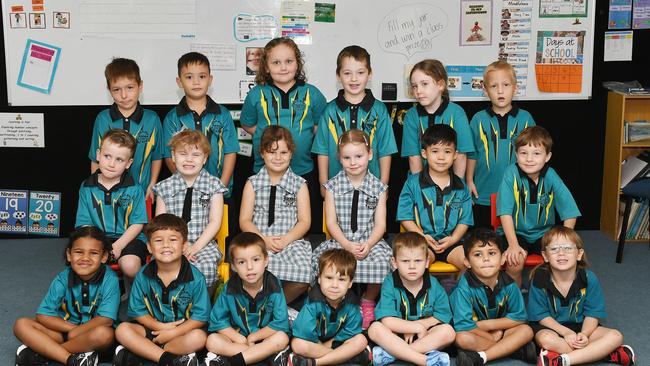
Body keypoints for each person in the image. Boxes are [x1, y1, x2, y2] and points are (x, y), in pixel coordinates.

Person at [240, 37, 327, 232]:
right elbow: (247, 124)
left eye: (289, 61)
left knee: (302, 224)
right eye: (276, 62)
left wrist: (300, 137)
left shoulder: (312, 93)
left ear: (298, 63)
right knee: (264, 222)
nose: (283, 67)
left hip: (303, 171)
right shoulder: (256, 94)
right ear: (266, 67)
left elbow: (319, 125)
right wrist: (268, 138)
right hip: (264, 172)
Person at [311, 129, 392, 330]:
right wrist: (346, 244)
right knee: (319, 261)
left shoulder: (379, 188)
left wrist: (369, 244)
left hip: (369, 240)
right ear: (339, 158)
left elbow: (381, 224)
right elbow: (331, 223)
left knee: (385, 263)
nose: (353, 162)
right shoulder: (332, 186)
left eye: (359, 156)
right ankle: (333, 303)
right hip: (341, 240)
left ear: (370, 155)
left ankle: (368, 300)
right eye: (347, 157)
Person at [113, 214, 211, 366]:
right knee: (122, 330)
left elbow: (200, 317)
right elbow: (138, 311)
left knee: (199, 338)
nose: (166, 245)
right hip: (153, 330)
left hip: (182, 333)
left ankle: (143, 353)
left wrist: (173, 332)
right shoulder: (143, 275)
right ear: (149, 247)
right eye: (158, 240)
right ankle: (169, 359)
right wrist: (160, 327)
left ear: (184, 246)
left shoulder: (196, 278)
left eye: (173, 240)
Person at [529, 227, 635, 366]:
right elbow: (541, 316)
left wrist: (584, 334)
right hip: (552, 328)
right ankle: (602, 354)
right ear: (545, 256)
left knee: (616, 336)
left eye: (568, 248)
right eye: (554, 249)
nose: (561, 253)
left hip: (581, 327)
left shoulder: (589, 278)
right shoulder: (539, 278)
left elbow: (592, 314)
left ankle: (562, 360)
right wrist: (566, 333)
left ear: (579, 254)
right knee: (546, 339)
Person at [14, 226, 119, 366]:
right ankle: (71, 359)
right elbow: (43, 315)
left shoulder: (110, 278)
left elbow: (106, 320)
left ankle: (46, 353)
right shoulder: (63, 278)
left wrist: (78, 332)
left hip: (93, 334)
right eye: (79, 252)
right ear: (69, 255)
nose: (85, 258)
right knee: (21, 324)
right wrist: (72, 329)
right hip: (65, 331)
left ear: (104, 256)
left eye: (93, 253)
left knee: (104, 335)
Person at [496, 126, 581, 286]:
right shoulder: (510, 174)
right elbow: (505, 213)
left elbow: (570, 211)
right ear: (516, 155)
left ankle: (552, 296)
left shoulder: (551, 175)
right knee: (515, 261)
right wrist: (513, 245)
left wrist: (563, 240)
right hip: (515, 233)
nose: (529, 159)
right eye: (523, 153)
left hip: (543, 233)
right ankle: (515, 300)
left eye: (536, 153)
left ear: (547, 156)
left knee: (560, 258)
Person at [312, 45, 397, 197]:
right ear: (338, 76)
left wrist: (383, 185)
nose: (353, 78)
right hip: (335, 189)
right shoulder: (329, 111)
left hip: (371, 190)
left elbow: (385, 151)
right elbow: (322, 151)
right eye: (347, 73)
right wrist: (323, 183)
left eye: (360, 72)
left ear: (369, 74)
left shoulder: (380, 110)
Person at [240, 126, 312, 303]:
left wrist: (287, 239)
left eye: (283, 152)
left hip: (291, 240)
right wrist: (263, 239)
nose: (278, 158)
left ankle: (273, 307)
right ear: (262, 153)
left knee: (305, 275)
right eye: (272, 152)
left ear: (291, 153)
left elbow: (304, 221)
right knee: (252, 267)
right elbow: (245, 220)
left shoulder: (299, 184)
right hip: (260, 239)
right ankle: (262, 306)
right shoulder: (252, 183)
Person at [153, 129, 227, 292]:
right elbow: (160, 224)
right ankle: (171, 305)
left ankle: (203, 310)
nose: (189, 159)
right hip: (170, 243)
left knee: (206, 268)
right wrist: (176, 246)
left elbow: (215, 222)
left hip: (203, 244)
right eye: (183, 154)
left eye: (195, 155)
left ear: (204, 159)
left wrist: (195, 247)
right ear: (173, 156)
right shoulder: (164, 188)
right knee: (163, 266)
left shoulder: (213, 186)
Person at [450, 228, 536, 366]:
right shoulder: (463, 288)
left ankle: (482, 356)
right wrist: (491, 336)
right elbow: (464, 326)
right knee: (461, 339)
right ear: (467, 262)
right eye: (478, 254)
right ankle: (512, 350)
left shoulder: (509, 284)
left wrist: (487, 325)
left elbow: (520, 318)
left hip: (497, 330)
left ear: (502, 258)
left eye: (492, 253)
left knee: (526, 331)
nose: (486, 259)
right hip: (475, 332)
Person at [466, 60, 535, 228]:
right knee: (484, 242)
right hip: (483, 194)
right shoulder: (478, 119)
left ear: (515, 88)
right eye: (494, 86)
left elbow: (535, 153)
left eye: (506, 85)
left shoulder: (525, 118)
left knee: (513, 241)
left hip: (518, 193)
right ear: (485, 90)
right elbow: (472, 153)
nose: (500, 91)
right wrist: (468, 180)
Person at [368, 232, 454, 366]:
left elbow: (441, 316)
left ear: (426, 262)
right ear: (394, 263)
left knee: (448, 332)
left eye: (418, 261)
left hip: (425, 337)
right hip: (395, 336)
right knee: (375, 328)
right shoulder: (389, 283)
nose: (412, 266)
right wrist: (414, 328)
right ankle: (424, 360)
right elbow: (387, 320)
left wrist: (418, 328)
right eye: (405, 261)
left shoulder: (434, 284)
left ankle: (392, 354)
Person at [205, 232, 291, 366]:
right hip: (237, 340)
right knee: (212, 341)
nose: (249, 267)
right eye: (241, 262)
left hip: (264, 338)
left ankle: (233, 361)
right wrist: (238, 338)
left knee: (282, 338)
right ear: (233, 266)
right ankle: (264, 355)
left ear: (266, 260)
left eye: (256, 260)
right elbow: (217, 320)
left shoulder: (274, 286)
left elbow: (280, 323)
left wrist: (255, 337)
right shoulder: (229, 288)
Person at [75, 129, 148, 286]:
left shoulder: (135, 188)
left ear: (128, 163)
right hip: (97, 237)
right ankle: (103, 289)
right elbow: (84, 224)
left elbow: (138, 224)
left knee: (129, 265)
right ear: (98, 155)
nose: (111, 163)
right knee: (83, 258)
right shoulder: (87, 187)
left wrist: (119, 246)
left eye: (119, 159)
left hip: (129, 238)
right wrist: (98, 246)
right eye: (107, 156)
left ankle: (134, 290)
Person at [397, 124, 473, 271]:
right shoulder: (413, 183)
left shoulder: (461, 187)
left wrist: (454, 239)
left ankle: (460, 294)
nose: (441, 157)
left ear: (455, 155)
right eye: (435, 151)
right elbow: (405, 217)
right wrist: (422, 237)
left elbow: (465, 220)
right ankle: (427, 294)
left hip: (452, 243)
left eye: (447, 151)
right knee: (418, 266)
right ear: (424, 153)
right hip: (421, 241)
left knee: (470, 265)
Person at [162, 52, 239, 196]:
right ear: (179, 82)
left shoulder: (223, 114)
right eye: (189, 77)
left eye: (202, 77)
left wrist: (220, 187)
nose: (196, 82)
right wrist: (185, 184)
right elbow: (168, 156)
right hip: (184, 192)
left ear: (210, 80)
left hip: (221, 192)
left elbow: (230, 152)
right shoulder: (172, 118)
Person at [88, 58, 163, 199]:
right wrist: (97, 188)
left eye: (130, 88)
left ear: (140, 86)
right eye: (117, 90)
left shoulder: (152, 119)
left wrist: (152, 184)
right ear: (109, 90)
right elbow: (95, 159)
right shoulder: (103, 119)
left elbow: (157, 156)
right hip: (109, 194)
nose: (124, 95)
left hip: (142, 194)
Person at [290, 249, 371, 366]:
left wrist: (328, 345)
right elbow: (305, 331)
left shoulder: (352, 304)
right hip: (314, 342)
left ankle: (315, 362)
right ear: (319, 278)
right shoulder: (313, 302)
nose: (334, 285)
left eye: (342, 279)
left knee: (361, 340)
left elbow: (350, 331)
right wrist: (324, 347)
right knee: (297, 344)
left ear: (350, 283)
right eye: (329, 278)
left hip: (338, 342)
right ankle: (349, 357)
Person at [402, 59, 474, 177]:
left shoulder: (457, 113)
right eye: (414, 86)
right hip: (420, 183)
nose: (418, 91)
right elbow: (414, 158)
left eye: (424, 84)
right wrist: (420, 189)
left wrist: (457, 188)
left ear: (441, 85)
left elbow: (460, 155)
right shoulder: (411, 116)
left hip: (450, 184)